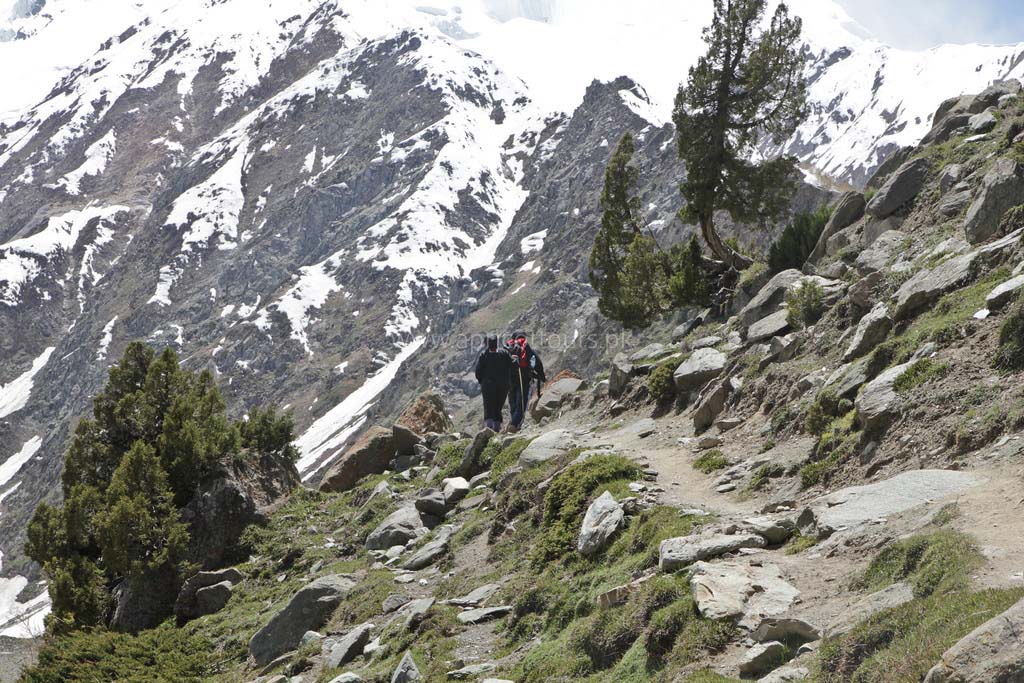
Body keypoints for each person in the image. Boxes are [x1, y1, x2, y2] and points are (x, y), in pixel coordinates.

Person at [505, 331, 545, 432]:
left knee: (512, 402)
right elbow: (537, 362)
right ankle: (514, 425)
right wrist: (541, 376)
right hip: (524, 379)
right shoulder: (526, 348)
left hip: (510, 381)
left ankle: (513, 423)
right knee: (521, 404)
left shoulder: (508, 348)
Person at [474, 334, 512, 432]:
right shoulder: (504, 353)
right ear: (497, 343)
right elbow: (512, 366)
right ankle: (496, 428)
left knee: (489, 407)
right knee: (498, 407)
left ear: (488, 344)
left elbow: (478, 371)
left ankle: (489, 430)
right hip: (503, 385)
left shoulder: (484, 355)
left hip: (488, 385)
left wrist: (482, 381)